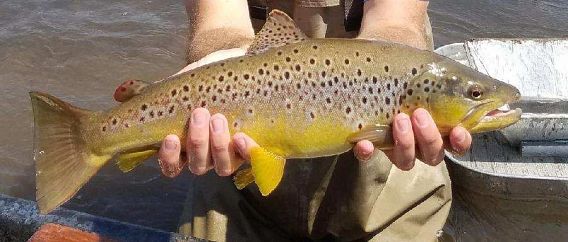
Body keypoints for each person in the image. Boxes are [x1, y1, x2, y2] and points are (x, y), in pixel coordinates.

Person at [156, 0, 472, 241]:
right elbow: (218, 20)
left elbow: (395, 18)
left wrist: (394, 53)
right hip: (236, 164)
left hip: (386, 172)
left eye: (473, 94)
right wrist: (223, 56)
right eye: (474, 94)